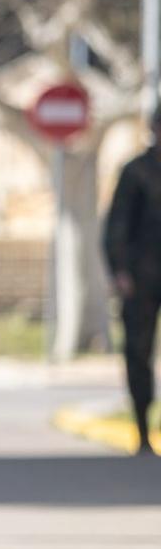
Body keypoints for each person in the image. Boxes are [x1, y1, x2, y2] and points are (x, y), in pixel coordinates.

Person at [104, 110, 161, 454]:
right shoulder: (136, 171)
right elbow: (117, 226)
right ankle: (142, 431)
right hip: (141, 277)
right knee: (139, 353)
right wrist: (120, 271)